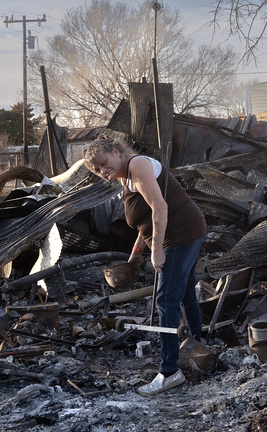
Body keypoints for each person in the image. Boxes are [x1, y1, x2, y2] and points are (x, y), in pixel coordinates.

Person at [84, 135, 206, 396]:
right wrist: (138, 251)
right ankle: (198, 342)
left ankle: (170, 371)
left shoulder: (137, 165)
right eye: (97, 170)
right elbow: (144, 218)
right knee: (184, 292)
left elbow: (160, 207)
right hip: (185, 232)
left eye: (104, 163)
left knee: (165, 300)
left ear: (117, 151)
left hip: (181, 235)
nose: (103, 172)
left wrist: (158, 250)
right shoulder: (125, 177)